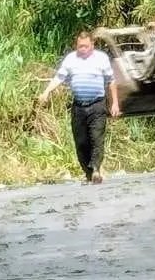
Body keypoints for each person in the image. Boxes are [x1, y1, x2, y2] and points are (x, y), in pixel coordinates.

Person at [37, 31, 121, 183]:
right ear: (76, 45)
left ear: (92, 45)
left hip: (97, 104)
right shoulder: (71, 59)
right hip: (79, 107)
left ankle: (96, 169)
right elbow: (59, 77)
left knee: (97, 139)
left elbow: (111, 81)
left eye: (86, 46)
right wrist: (46, 92)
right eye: (80, 46)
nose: (82, 49)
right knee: (81, 142)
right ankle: (88, 173)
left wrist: (115, 103)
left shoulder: (101, 58)